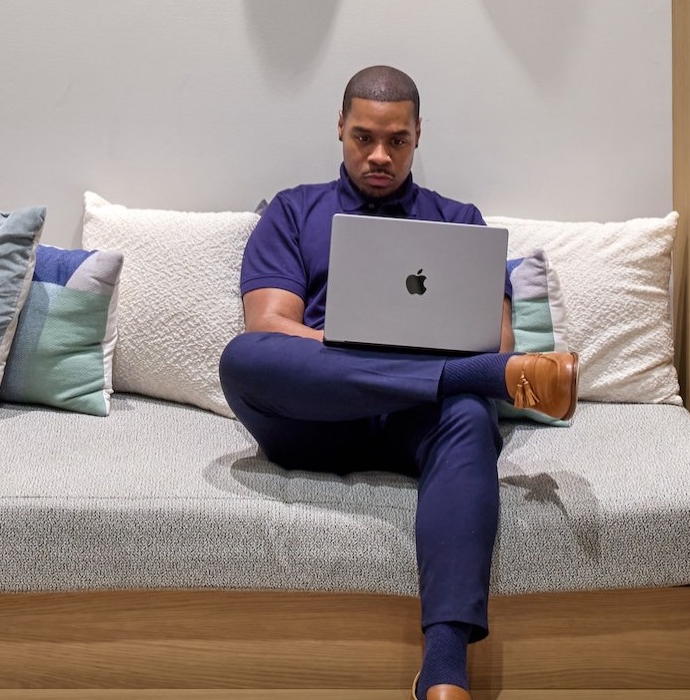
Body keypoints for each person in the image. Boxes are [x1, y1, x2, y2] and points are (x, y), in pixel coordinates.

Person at [217, 65, 579, 700]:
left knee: (468, 415)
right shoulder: (294, 211)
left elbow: (498, 346)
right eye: (364, 138)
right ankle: (461, 379)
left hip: (419, 426)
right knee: (243, 358)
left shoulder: (459, 220)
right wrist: (368, 357)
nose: (380, 155)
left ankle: (445, 671)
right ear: (340, 128)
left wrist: (429, 374)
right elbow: (270, 326)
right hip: (315, 417)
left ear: (418, 135)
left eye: (397, 140)